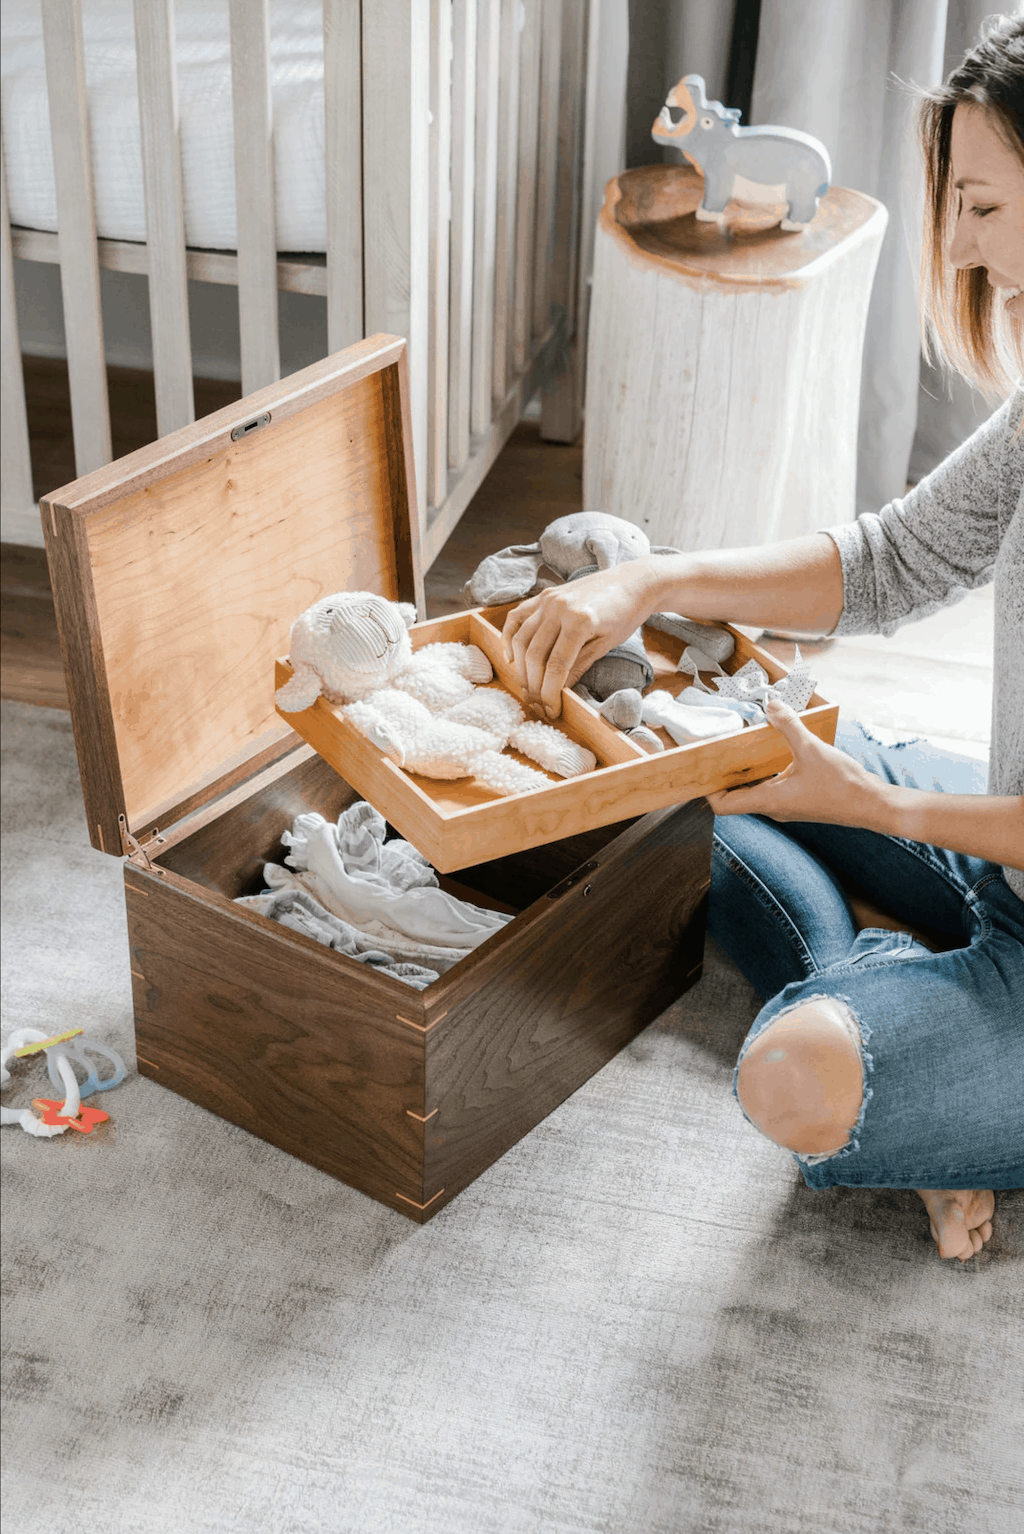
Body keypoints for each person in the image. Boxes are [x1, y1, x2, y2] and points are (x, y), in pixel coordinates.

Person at [502, 16, 1024, 1262]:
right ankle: (894, 1013)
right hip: (999, 846)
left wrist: (879, 813)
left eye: (981, 204)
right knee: (708, 771)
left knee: (787, 1081)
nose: (953, 245)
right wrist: (650, 578)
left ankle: (921, 1081)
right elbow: (894, 560)